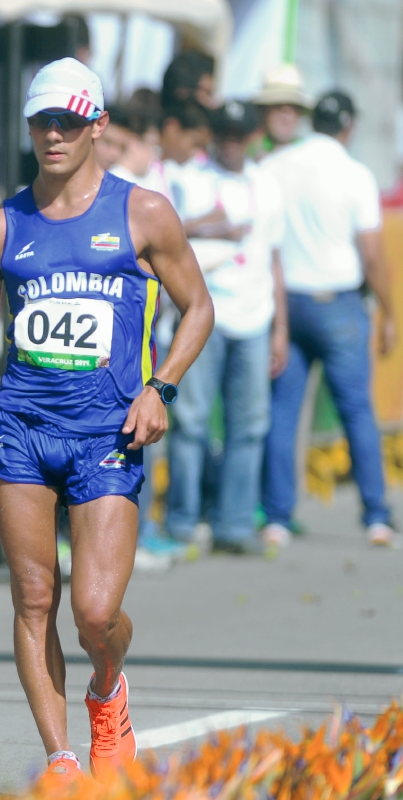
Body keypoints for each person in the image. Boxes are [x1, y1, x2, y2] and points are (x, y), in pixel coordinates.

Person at [0, 58, 213, 784]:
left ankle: (107, 689)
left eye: (68, 121)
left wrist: (162, 386)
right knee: (34, 599)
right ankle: (60, 757)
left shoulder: (143, 212)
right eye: (42, 122)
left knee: (96, 614)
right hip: (24, 430)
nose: (54, 135)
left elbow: (200, 308)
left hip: (107, 433)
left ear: (97, 125)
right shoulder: (0, 225)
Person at [259, 90, 397, 548]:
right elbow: (372, 254)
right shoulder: (355, 174)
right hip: (337, 300)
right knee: (356, 409)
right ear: (349, 126)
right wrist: (390, 311)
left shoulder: (276, 167)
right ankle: (376, 515)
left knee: (283, 411)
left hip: (287, 301)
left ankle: (277, 516)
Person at [165, 101, 288, 555]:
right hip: (204, 314)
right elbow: (164, 235)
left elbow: (275, 260)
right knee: (191, 421)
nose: (232, 142)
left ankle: (234, 523)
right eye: (225, 133)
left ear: (252, 136)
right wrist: (208, 227)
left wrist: (281, 328)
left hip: (254, 317)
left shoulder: (266, 185)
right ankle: (182, 520)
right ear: (213, 135)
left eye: (240, 134)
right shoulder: (189, 179)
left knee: (250, 424)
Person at [251, 64, 312, 156]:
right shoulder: (245, 157)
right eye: (278, 107)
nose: (285, 117)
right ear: (263, 112)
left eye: (293, 108)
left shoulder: (311, 155)